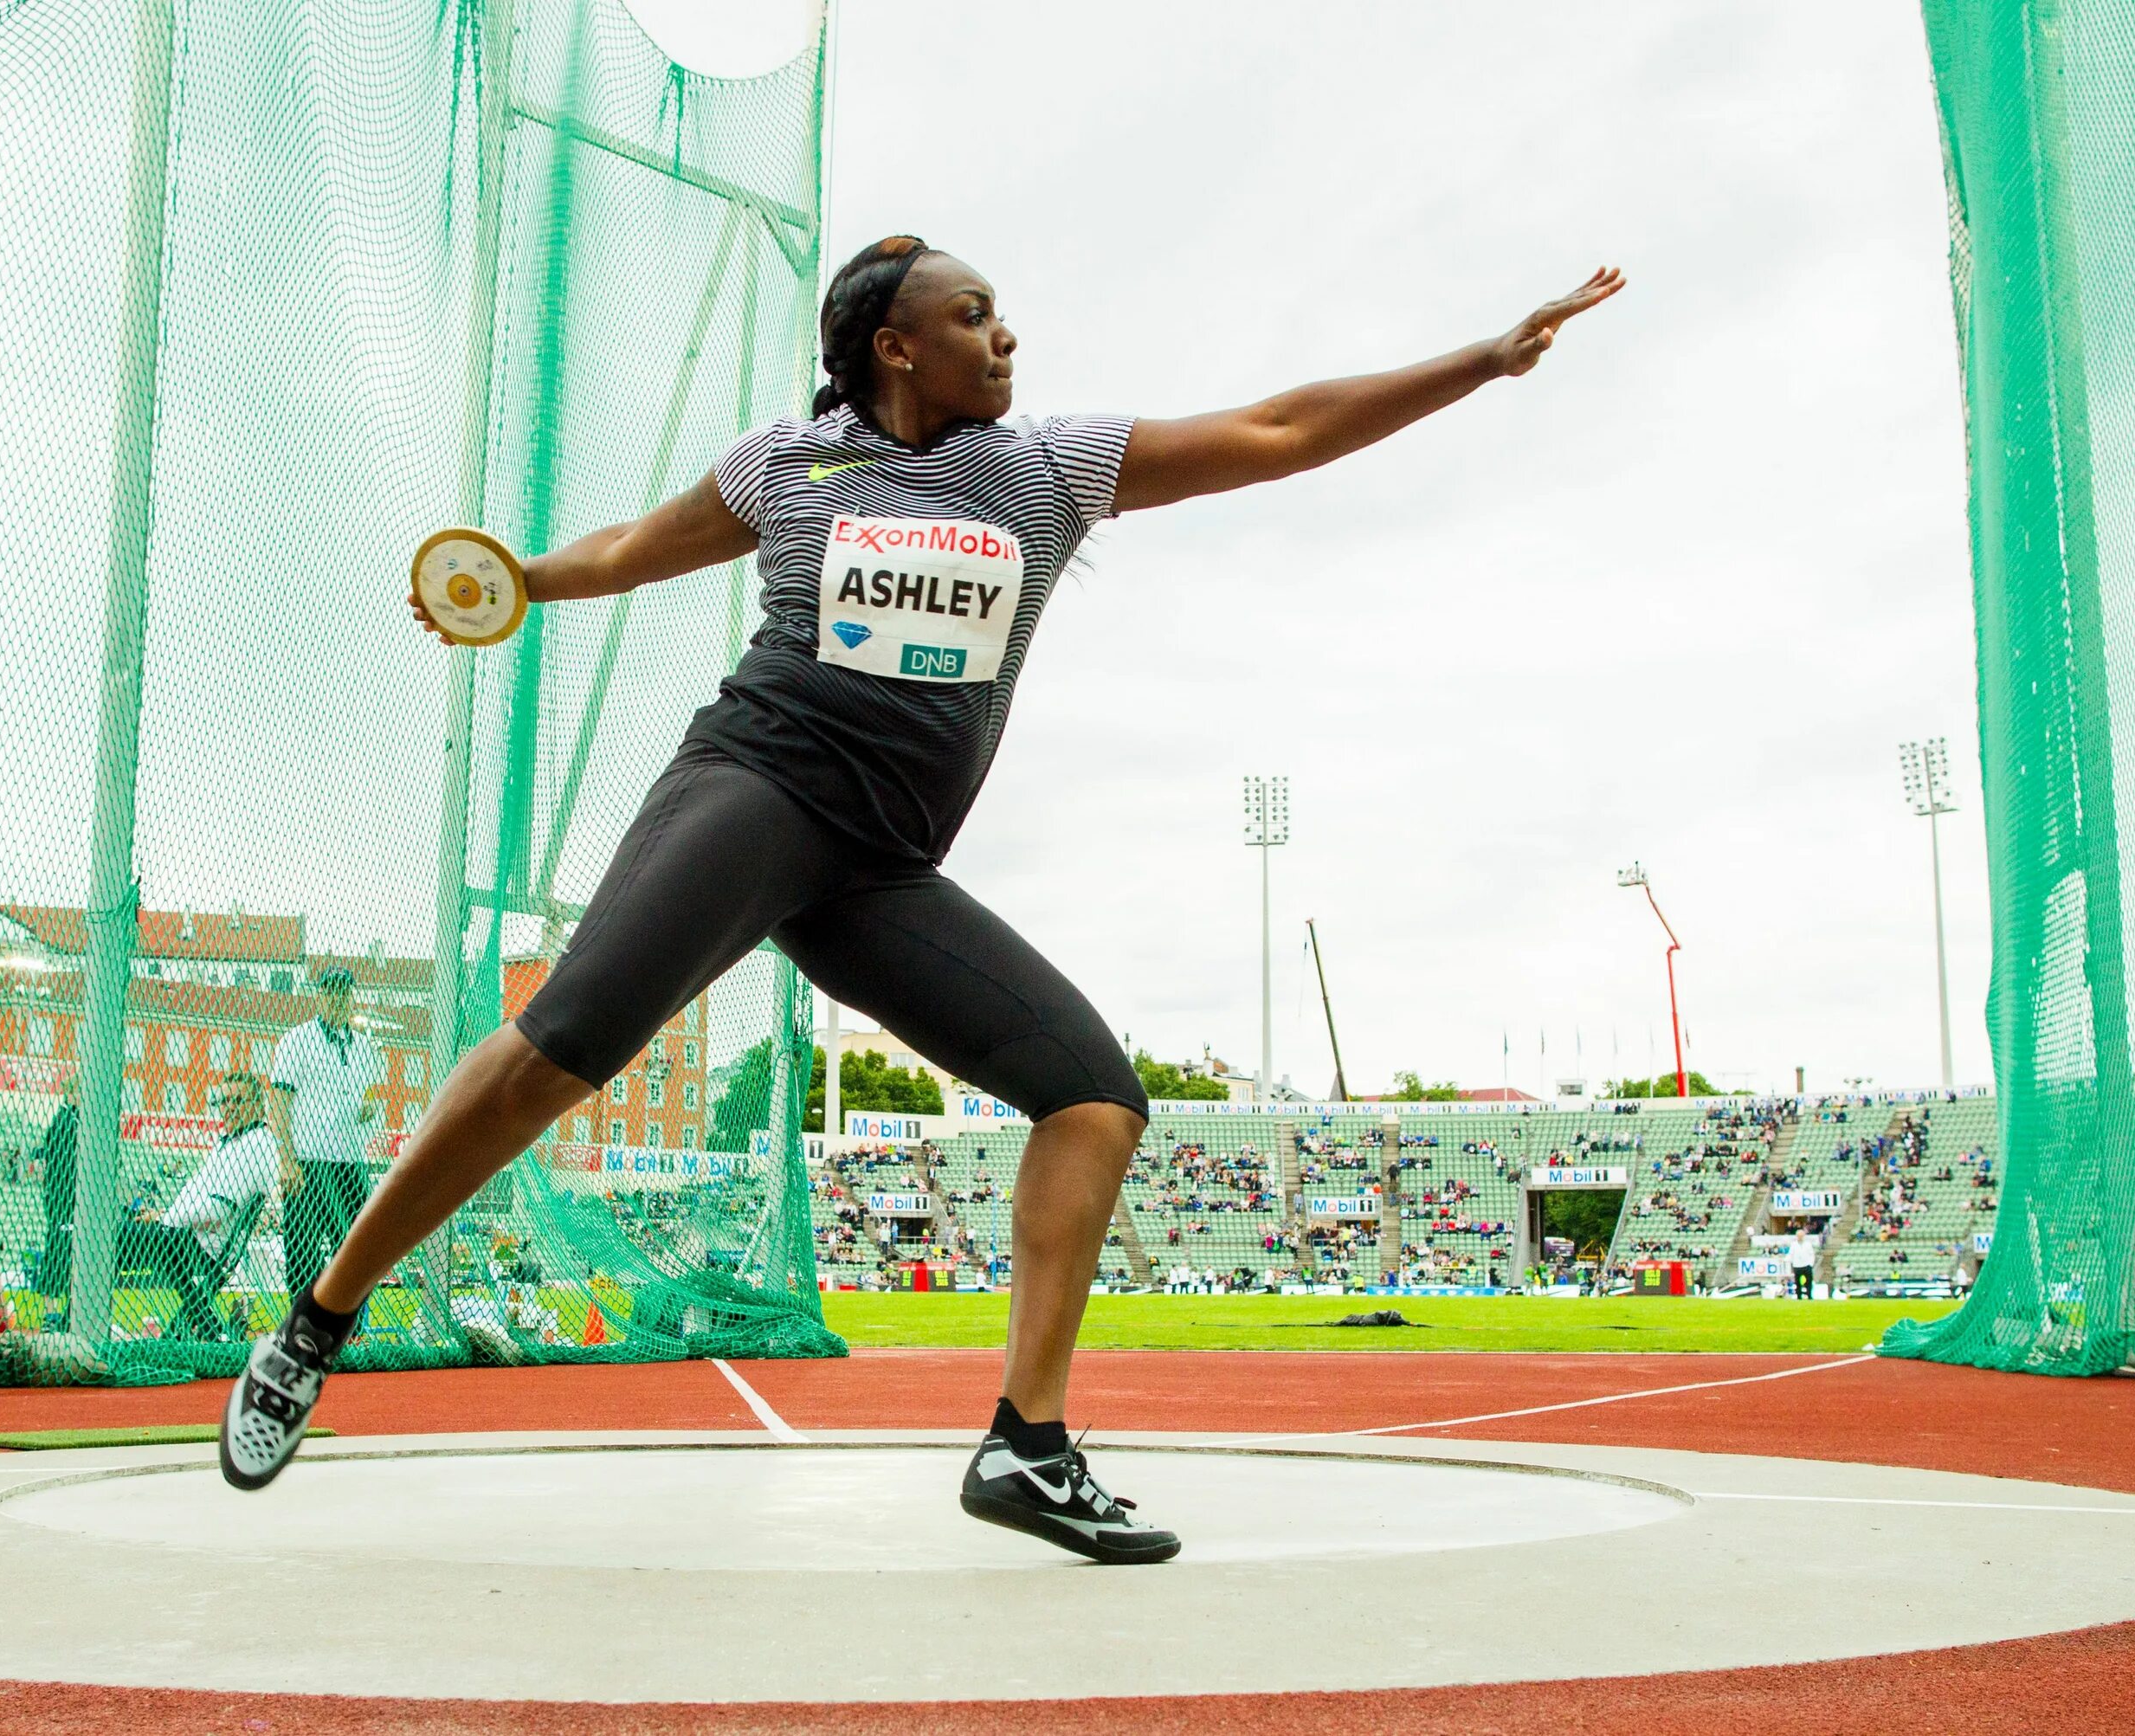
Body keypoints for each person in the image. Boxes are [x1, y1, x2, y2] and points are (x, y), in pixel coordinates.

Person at [221, 236, 1621, 1564]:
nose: (1005, 333)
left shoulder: (1047, 469)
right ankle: (316, 1324)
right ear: (893, 348)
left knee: (1092, 1096)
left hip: (882, 868)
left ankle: (1026, 1445)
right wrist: (522, 578)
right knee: (563, 1052)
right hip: (754, 795)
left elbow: (1278, 428)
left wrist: (1483, 359)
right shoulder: (794, 463)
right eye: (972, 316)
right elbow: (631, 548)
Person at [117, 1072, 281, 1340]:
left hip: (205, 1245)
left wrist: (165, 1219)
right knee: (118, 1233)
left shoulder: (256, 1144)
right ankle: (208, 1328)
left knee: (108, 1239)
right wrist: (163, 1216)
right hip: (192, 1237)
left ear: (257, 1104)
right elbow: (199, 1195)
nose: (228, 1108)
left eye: (237, 1100)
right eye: (224, 1101)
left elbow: (218, 1210)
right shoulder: (229, 1142)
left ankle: (82, 1322)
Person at [268, 968, 386, 1317]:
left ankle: (351, 1326)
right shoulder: (297, 1040)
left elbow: (367, 1096)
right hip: (308, 1158)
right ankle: (301, 1324)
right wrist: (286, 1160)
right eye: (330, 991)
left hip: (349, 1160)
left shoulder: (364, 1047)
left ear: (351, 997)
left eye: (343, 992)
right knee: (303, 1249)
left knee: (353, 1251)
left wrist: (367, 1111)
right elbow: (279, 1100)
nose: (337, 998)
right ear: (318, 996)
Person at [34, 1074, 83, 1308]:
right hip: (63, 1199)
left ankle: (59, 1310)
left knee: (67, 1250)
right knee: (58, 1248)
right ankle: (51, 1311)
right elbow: (63, 1166)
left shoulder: (73, 1119)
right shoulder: (65, 1121)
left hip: (68, 1198)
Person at [1787, 1223, 1816, 1300]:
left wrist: (1810, 1264)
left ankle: (1809, 1295)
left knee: (1809, 1282)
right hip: (1797, 1266)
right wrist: (1788, 1261)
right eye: (1798, 1236)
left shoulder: (1808, 1244)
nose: (1800, 1237)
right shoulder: (1793, 1245)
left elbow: (1812, 1254)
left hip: (1807, 1265)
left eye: (1801, 1236)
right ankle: (1799, 1296)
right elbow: (1791, 1254)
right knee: (1797, 1282)